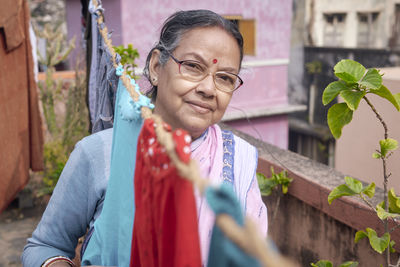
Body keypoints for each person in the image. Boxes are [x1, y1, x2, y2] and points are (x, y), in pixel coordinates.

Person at [22, 9, 268, 267]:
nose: (208, 89)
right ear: (155, 67)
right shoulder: (99, 152)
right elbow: (44, 246)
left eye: (225, 78)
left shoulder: (240, 160)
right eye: (193, 67)